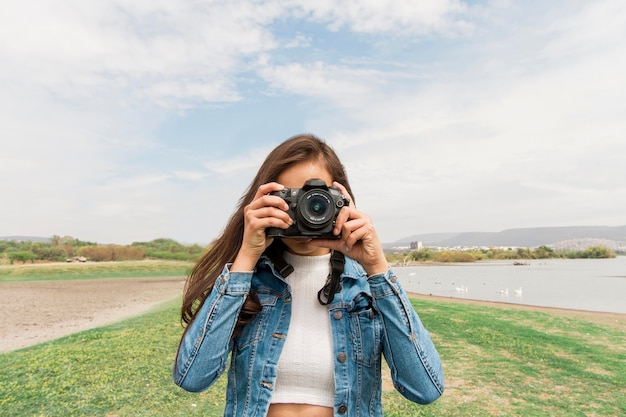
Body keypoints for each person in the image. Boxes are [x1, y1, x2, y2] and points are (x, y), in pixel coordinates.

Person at [173, 134, 444, 417]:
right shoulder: (247, 282)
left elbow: (424, 389)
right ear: (264, 200)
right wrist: (246, 257)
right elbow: (193, 377)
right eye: (290, 200)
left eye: (318, 199)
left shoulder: (367, 287)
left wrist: (377, 268)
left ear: (342, 200)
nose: (307, 212)